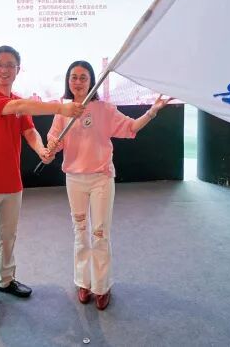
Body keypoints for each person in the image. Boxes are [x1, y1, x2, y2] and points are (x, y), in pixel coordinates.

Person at [0, 46, 84, 325]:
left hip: (12, 183)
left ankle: (5, 280)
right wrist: (61, 108)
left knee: (8, 236)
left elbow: (29, 130)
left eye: (10, 65)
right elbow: (18, 109)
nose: (4, 70)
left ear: (18, 70)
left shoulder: (18, 101)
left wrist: (42, 150)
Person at [46, 60, 170, 310]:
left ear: (92, 81)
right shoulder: (63, 110)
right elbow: (53, 143)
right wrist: (50, 148)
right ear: (68, 81)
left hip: (101, 179)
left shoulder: (104, 109)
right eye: (73, 77)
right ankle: (83, 282)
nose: (78, 82)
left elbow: (131, 127)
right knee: (80, 232)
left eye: (83, 77)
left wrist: (152, 111)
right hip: (74, 180)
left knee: (100, 234)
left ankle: (102, 286)